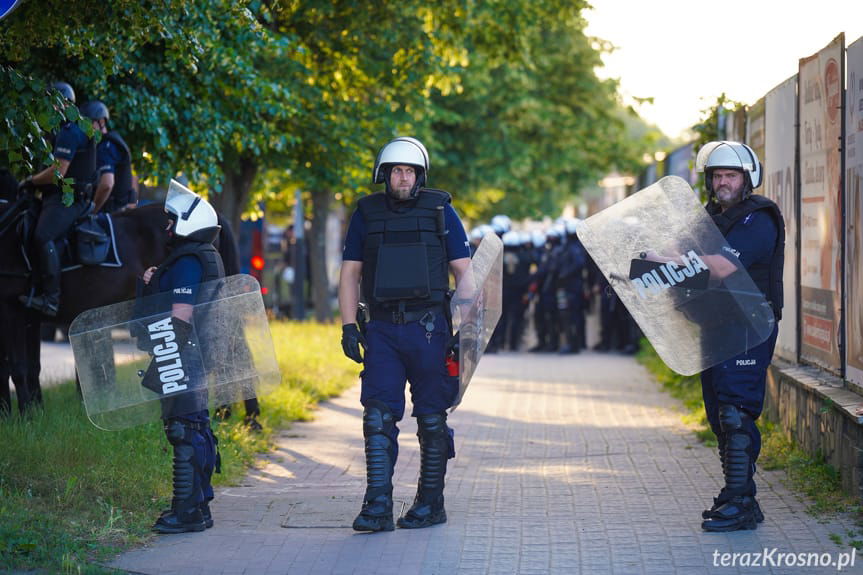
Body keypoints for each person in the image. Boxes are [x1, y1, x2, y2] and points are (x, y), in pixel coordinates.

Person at [338, 136, 471, 532]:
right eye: (396, 170)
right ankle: (377, 507)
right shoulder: (366, 213)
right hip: (381, 329)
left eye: (410, 171)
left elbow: (464, 272)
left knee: (431, 418)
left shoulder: (441, 211)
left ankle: (430, 504)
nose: (403, 177)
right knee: (377, 416)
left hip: (429, 329)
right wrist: (348, 326)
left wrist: (464, 330)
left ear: (420, 176)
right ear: (385, 175)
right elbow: (350, 274)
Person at [694, 141, 784, 532]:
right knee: (720, 414)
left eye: (730, 175)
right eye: (717, 175)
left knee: (736, 411)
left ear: (746, 179)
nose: (723, 182)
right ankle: (738, 495)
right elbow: (677, 257)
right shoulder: (708, 219)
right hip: (716, 324)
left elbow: (718, 266)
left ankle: (741, 502)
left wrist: (664, 265)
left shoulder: (758, 218)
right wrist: (639, 266)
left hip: (750, 324)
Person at [139, 181, 223, 534]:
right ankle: (197, 507)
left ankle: (187, 512)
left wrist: (169, 357)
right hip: (192, 352)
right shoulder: (196, 256)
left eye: (173, 221)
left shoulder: (189, 259)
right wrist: (154, 280)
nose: (168, 228)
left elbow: (181, 314)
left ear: (189, 222)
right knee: (195, 427)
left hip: (182, 352)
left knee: (184, 429)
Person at [18, 85, 96, 316]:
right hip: (59, 197)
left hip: (69, 199)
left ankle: (51, 299)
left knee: (43, 235)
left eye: (53, 102)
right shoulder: (62, 130)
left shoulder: (71, 131)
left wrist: (31, 181)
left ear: (65, 104)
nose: (49, 108)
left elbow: (58, 171)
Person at [85, 100, 137, 213]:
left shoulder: (106, 146)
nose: (84, 127)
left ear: (101, 122)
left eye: (88, 122)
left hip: (111, 212)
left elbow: (107, 184)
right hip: (121, 210)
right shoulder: (114, 141)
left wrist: (92, 211)